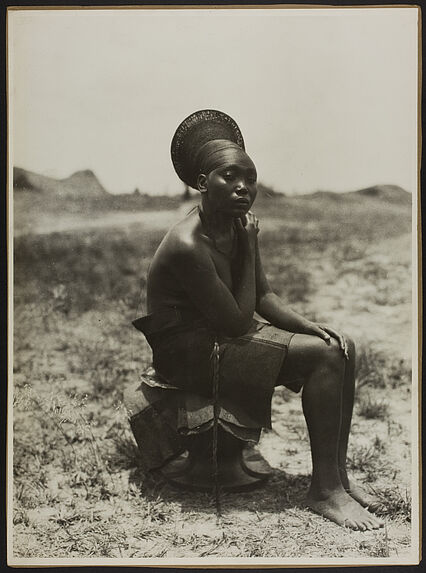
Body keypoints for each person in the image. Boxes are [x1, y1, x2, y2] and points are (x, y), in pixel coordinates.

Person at [130, 110, 383, 531]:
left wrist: (311, 327)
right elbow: (236, 321)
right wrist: (249, 248)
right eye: (230, 176)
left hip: (221, 332)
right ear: (201, 183)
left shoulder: (236, 225)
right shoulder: (186, 243)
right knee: (323, 360)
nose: (243, 187)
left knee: (340, 346)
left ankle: (337, 478)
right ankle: (323, 492)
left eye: (251, 178)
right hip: (188, 351)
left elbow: (263, 296)